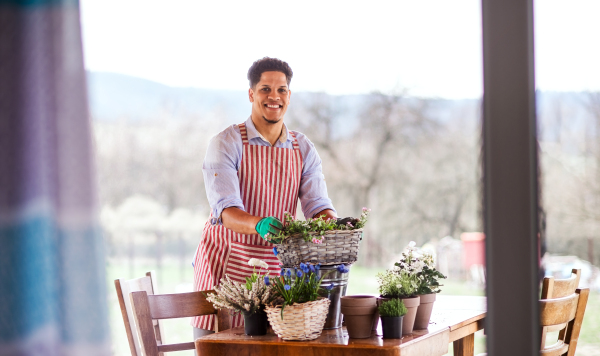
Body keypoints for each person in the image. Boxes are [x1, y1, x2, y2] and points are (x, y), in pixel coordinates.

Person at [191, 57, 337, 337]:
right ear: (251, 94)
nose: (274, 97)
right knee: (216, 346)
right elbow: (226, 210)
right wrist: (258, 223)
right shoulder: (226, 143)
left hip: (273, 267)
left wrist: (338, 227)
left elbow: (317, 205)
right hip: (225, 265)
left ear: (289, 96)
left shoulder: (302, 148)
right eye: (265, 89)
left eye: (281, 90)